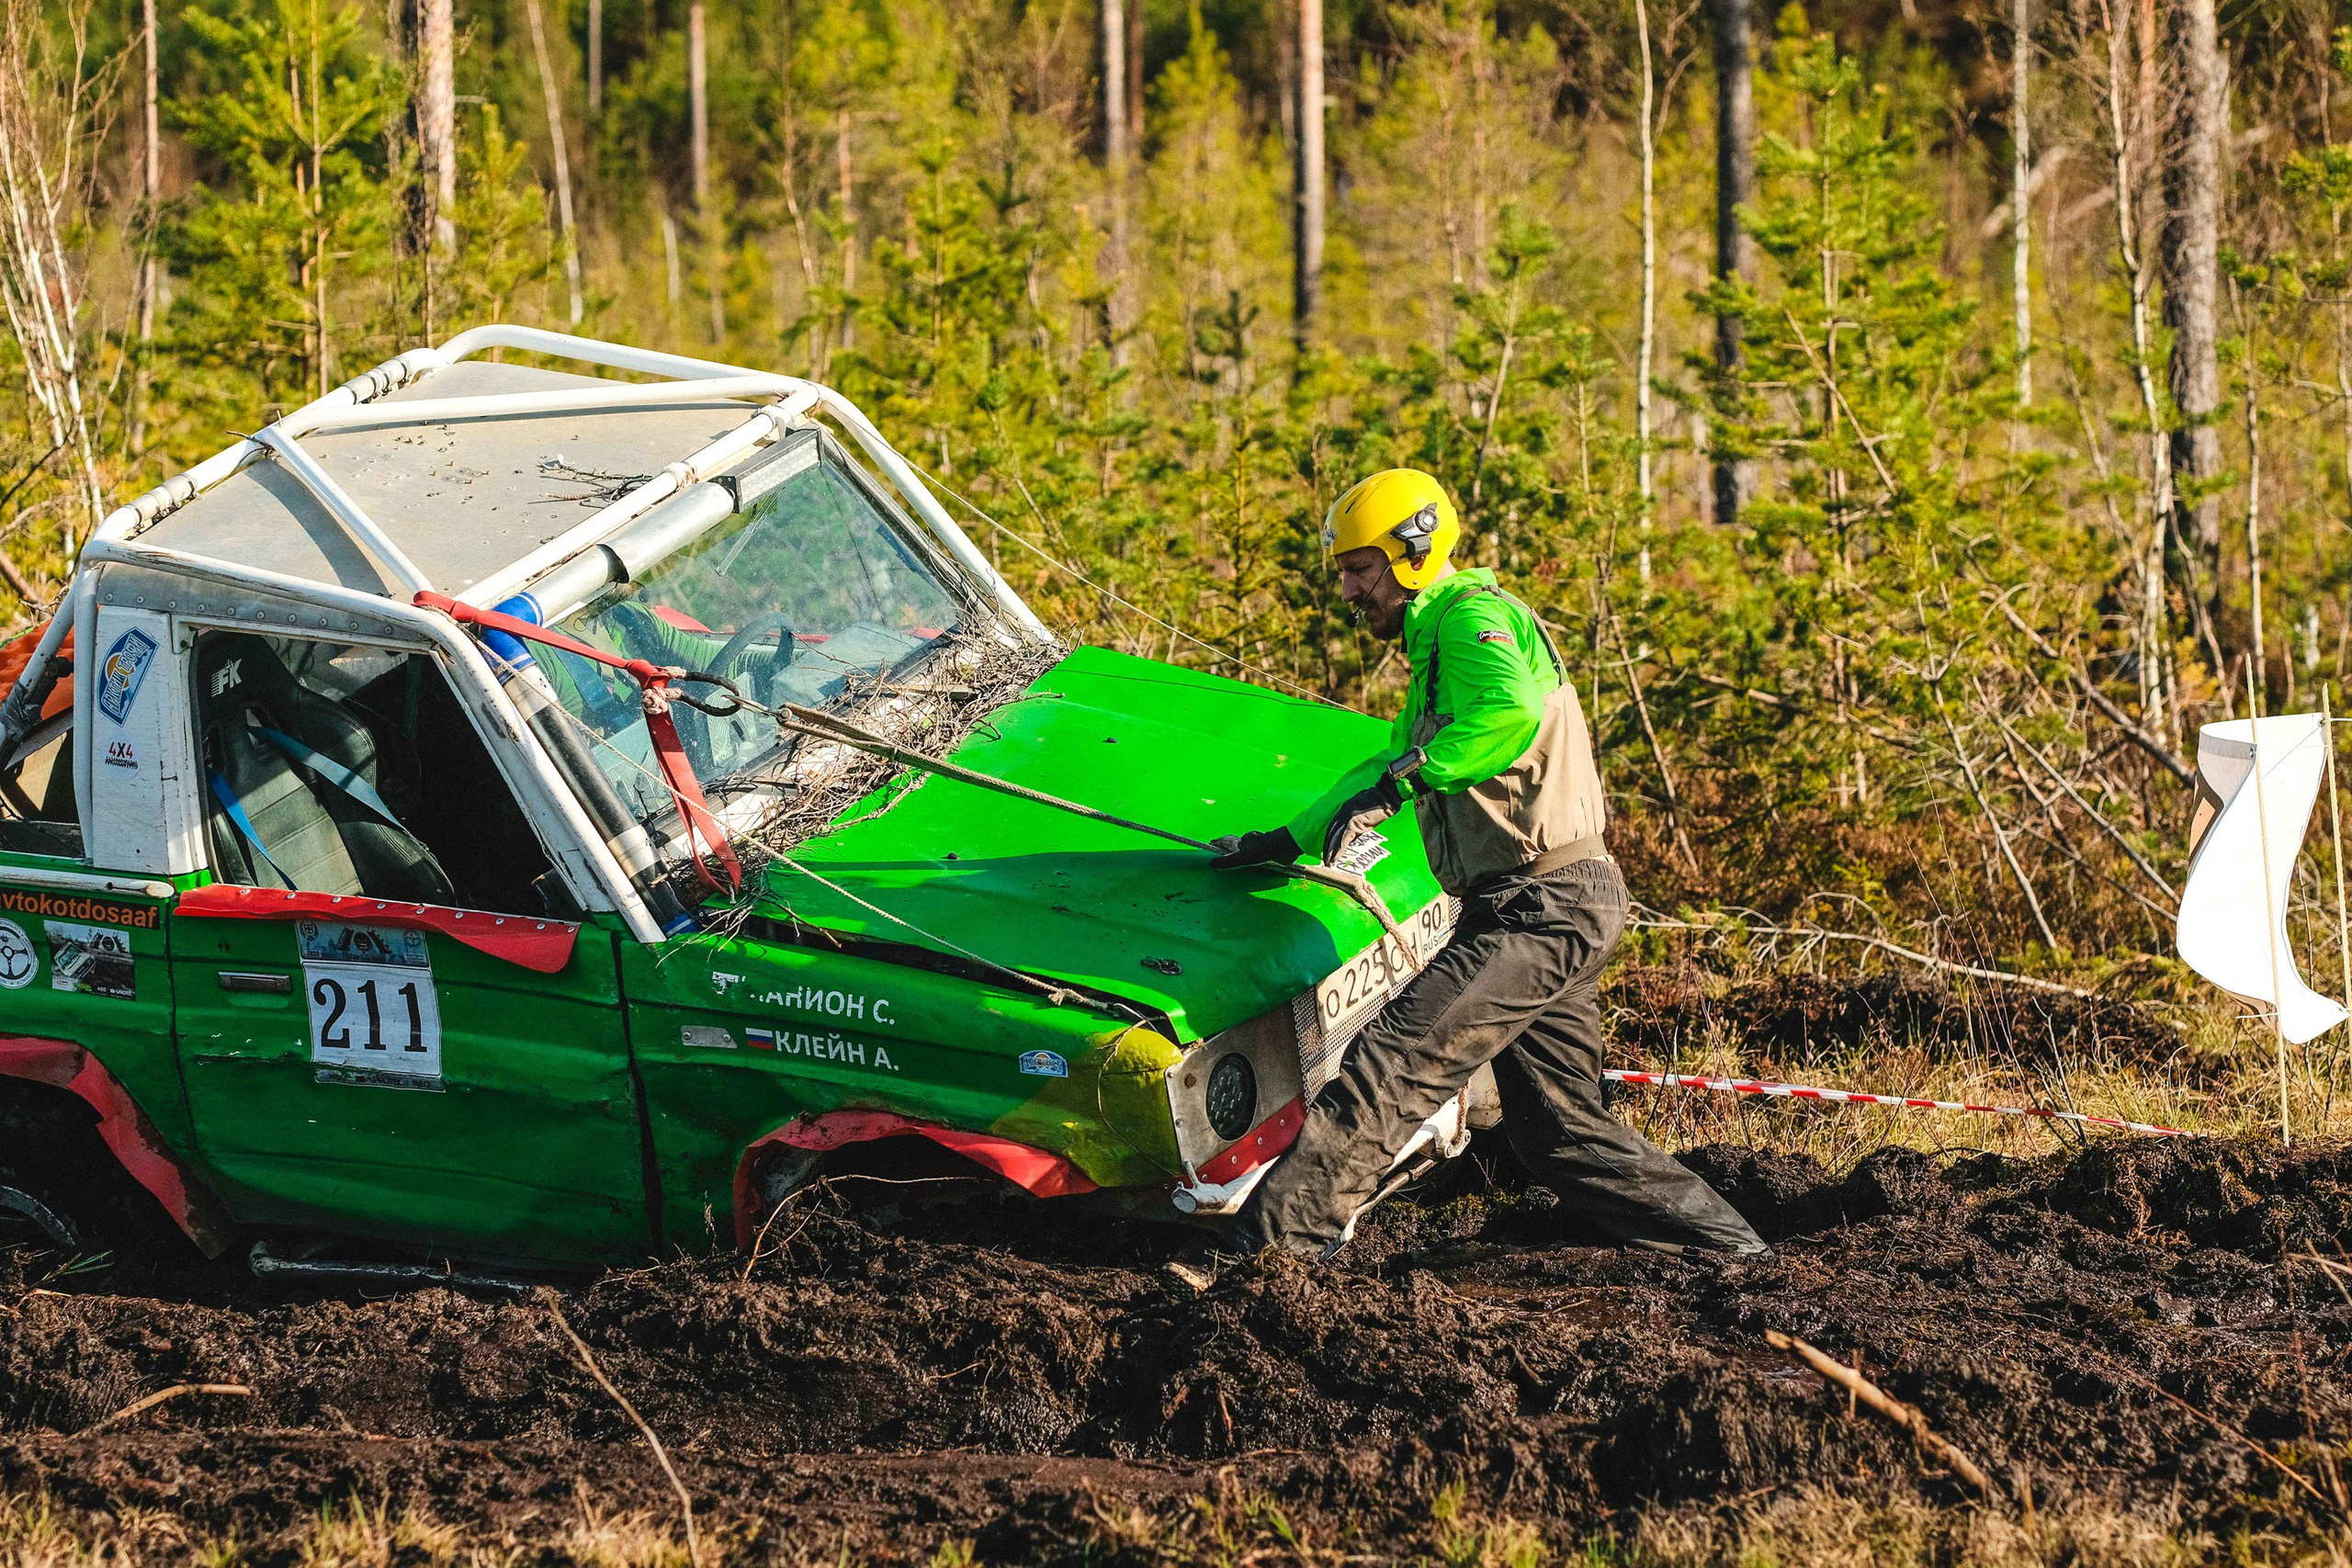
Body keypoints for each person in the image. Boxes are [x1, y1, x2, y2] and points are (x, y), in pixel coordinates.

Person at [1209, 468, 1766, 1260]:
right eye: (1343, 570)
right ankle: (1738, 1258)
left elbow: (1511, 712)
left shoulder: (1473, 623)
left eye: (1359, 569)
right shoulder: (1437, 649)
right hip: (1547, 902)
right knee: (1560, 1131)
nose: (1346, 590)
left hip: (1541, 905)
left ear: (1410, 554)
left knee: (1393, 1062)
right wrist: (1287, 839)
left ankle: (1264, 1259)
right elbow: (1384, 758)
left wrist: (1404, 781)